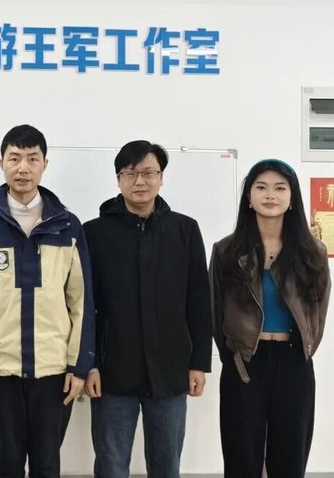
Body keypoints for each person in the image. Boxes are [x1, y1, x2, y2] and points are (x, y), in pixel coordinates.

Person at [0, 124, 95, 478]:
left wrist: (79, 366)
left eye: (32, 159)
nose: (23, 168)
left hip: (54, 371)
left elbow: (81, 302)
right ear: (1, 163)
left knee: (47, 464)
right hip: (0, 371)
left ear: (45, 164)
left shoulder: (67, 226)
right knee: (7, 463)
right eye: (15, 158)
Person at [83, 140, 212, 478]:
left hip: (169, 371)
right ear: (118, 179)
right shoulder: (94, 233)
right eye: (130, 173)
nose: (140, 181)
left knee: (166, 467)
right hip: (112, 373)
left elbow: (199, 301)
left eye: (148, 173)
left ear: (161, 177)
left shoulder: (185, 230)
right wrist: (89, 364)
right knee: (111, 466)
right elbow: (85, 305)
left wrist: (198, 363)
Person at [209, 159, 331, 477]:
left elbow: (318, 312)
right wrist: (234, 356)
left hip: (294, 363)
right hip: (245, 364)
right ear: (249, 197)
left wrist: (302, 350)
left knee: (290, 457)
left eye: (280, 188)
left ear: (292, 198)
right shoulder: (226, 251)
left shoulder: (312, 253)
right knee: (241, 457)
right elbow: (215, 313)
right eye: (261, 187)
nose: (270, 195)